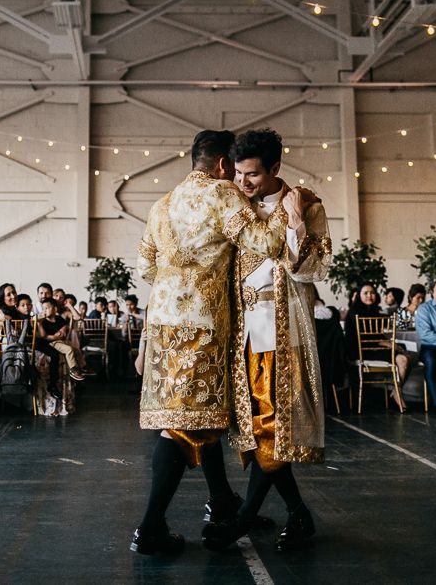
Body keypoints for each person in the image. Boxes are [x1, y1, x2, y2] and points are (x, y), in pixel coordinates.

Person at [131, 128, 291, 556]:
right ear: (222, 165)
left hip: (164, 322)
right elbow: (269, 243)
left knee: (202, 417)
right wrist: (288, 205)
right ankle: (149, 528)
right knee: (183, 425)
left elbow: (146, 266)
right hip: (201, 325)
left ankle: (221, 500)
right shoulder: (222, 196)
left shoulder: (161, 204)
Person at [202, 128, 332, 552]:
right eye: (239, 173)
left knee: (273, 429)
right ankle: (298, 514)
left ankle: (242, 520)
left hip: (283, 332)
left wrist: (294, 219)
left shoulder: (308, 206)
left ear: (275, 168)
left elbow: (312, 270)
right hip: (243, 334)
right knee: (260, 431)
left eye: (253, 175)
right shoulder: (237, 208)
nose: (243, 183)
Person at [345, 283, 411, 410]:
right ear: (359, 295)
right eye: (365, 293)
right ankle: (397, 392)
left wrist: (389, 343)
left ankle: (397, 391)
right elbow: (364, 338)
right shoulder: (354, 311)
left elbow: (377, 335)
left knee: (404, 357)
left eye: (372, 293)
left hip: (374, 348)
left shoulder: (374, 310)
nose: (370, 295)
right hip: (360, 351)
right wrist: (386, 343)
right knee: (402, 357)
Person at [15, 293, 62, 400]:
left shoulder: (32, 316)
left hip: (36, 341)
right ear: (17, 307)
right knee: (53, 354)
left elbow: (41, 334)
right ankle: (50, 385)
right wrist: (35, 319)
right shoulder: (18, 317)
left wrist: (38, 321)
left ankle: (53, 385)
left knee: (55, 354)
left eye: (28, 304)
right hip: (26, 343)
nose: (26, 307)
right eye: (23, 305)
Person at [37, 298, 86, 382]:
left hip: (62, 341)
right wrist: (54, 336)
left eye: (47, 308)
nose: (44, 311)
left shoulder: (59, 319)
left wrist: (64, 328)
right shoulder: (43, 322)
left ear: (55, 309)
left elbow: (67, 324)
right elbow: (43, 336)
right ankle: (73, 370)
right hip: (53, 342)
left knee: (76, 350)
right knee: (69, 349)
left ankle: (83, 367)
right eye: (43, 308)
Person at [415, 279, 436, 412]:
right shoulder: (424, 308)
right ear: (433, 292)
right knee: (432, 364)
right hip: (431, 347)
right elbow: (425, 334)